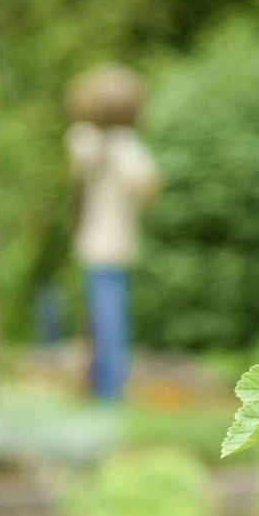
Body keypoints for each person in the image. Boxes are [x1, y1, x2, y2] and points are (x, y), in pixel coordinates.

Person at [65, 65, 159, 401]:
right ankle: (101, 385)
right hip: (102, 245)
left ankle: (110, 389)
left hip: (108, 246)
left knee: (108, 321)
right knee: (101, 321)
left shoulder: (121, 147)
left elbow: (145, 184)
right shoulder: (92, 141)